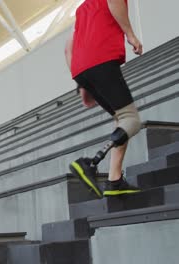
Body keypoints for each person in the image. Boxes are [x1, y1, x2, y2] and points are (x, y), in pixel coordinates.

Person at [65, 0, 143, 197]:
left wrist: (82, 84)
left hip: (81, 69)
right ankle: (90, 162)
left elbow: (68, 48)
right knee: (131, 121)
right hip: (101, 60)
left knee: (121, 119)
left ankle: (114, 180)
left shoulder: (83, 9)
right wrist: (131, 35)